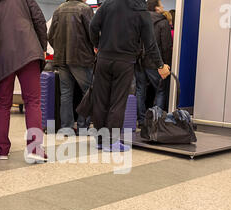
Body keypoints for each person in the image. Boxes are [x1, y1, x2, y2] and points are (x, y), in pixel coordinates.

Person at [89, 0, 170, 152]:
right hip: (124, 61)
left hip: (103, 59)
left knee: (100, 100)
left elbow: (93, 26)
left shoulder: (108, 4)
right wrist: (160, 65)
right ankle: (111, 142)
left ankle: (100, 140)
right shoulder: (140, 10)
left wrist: (97, 45)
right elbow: (150, 43)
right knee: (118, 101)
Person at [0, 0, 48, 162]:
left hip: (0, 57)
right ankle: (35, 149)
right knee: (33, 102)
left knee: (2, 104)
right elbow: (39, 20)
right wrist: (42, 47)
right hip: (28, 51)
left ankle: (3, 149)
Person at [48, 0, 95, 135]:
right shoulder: (85, 9)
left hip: (62, 58)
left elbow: (50, 36)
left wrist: (59, 48)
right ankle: (82, 126)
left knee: (66, 94)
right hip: (81, 58)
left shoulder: (59, 9)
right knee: (89, 92)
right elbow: (93, 34)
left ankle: (66, 128)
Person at [135, 0, 173, 125]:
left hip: (139, 61)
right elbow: (166, 46)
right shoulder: (163, 22)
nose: (163, 7)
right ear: (157, 8)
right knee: (160, 90)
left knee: (140, 90)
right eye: (161, 5)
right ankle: (157, 121)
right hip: (156, 63)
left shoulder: (139, 20)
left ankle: (141, 120)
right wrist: (166, 64)